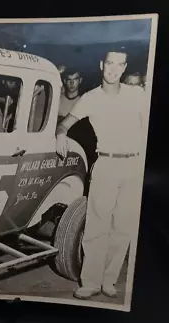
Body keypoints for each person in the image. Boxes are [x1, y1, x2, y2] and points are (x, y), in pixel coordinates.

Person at [55, 47, 148, 300]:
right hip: (106, 164)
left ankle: (109, 280)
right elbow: (64, 124)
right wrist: (61, 134)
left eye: (119, 64)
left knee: (123, 227)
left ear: (125, 68)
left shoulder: (138, 94)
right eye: (109, 63)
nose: (114, 69)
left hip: (134, 165)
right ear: (101, 65)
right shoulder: (90, 98)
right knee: (97, 226)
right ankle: (91, 282)